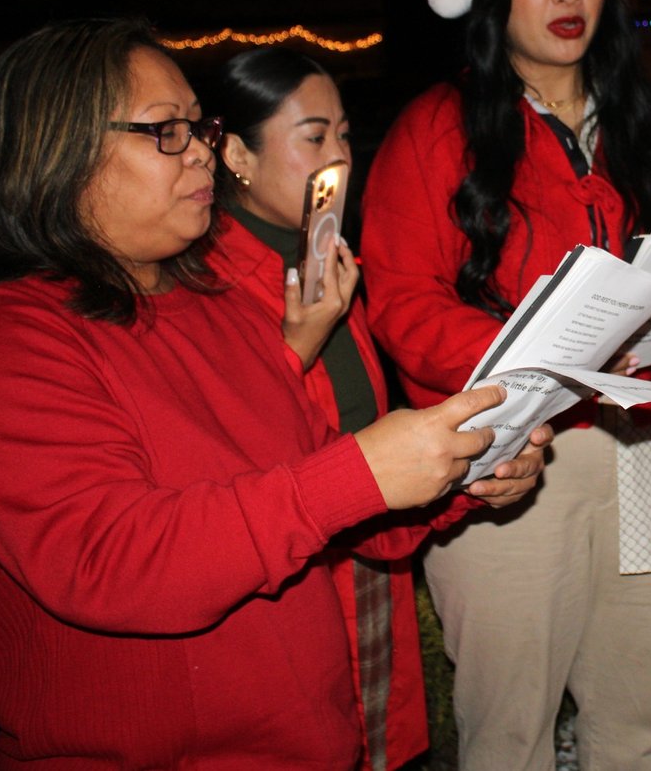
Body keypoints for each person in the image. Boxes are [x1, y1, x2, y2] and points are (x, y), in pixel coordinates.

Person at [0, 18, 548, 770]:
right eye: (166, 131)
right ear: (62, 149)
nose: (202, 152)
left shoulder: (221, 309)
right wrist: (361, 472)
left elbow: (327, 511)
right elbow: (111, 564)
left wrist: (462, 473)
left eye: (200, 127)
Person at [360, 0, 651, 771]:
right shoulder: (437, 129)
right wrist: (541, 358)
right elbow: (403, 304)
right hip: (515, 454)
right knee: (511, 732)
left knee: (640, 721)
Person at [206, 44, 471, 769]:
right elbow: (236, 444)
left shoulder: (321, 256)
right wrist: (296, 344)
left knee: (381, 741)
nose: (340, 158)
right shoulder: (209, 280)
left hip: (372, 545)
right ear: (237, 155)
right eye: (314, 137)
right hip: (296, 571)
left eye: (346, 135)